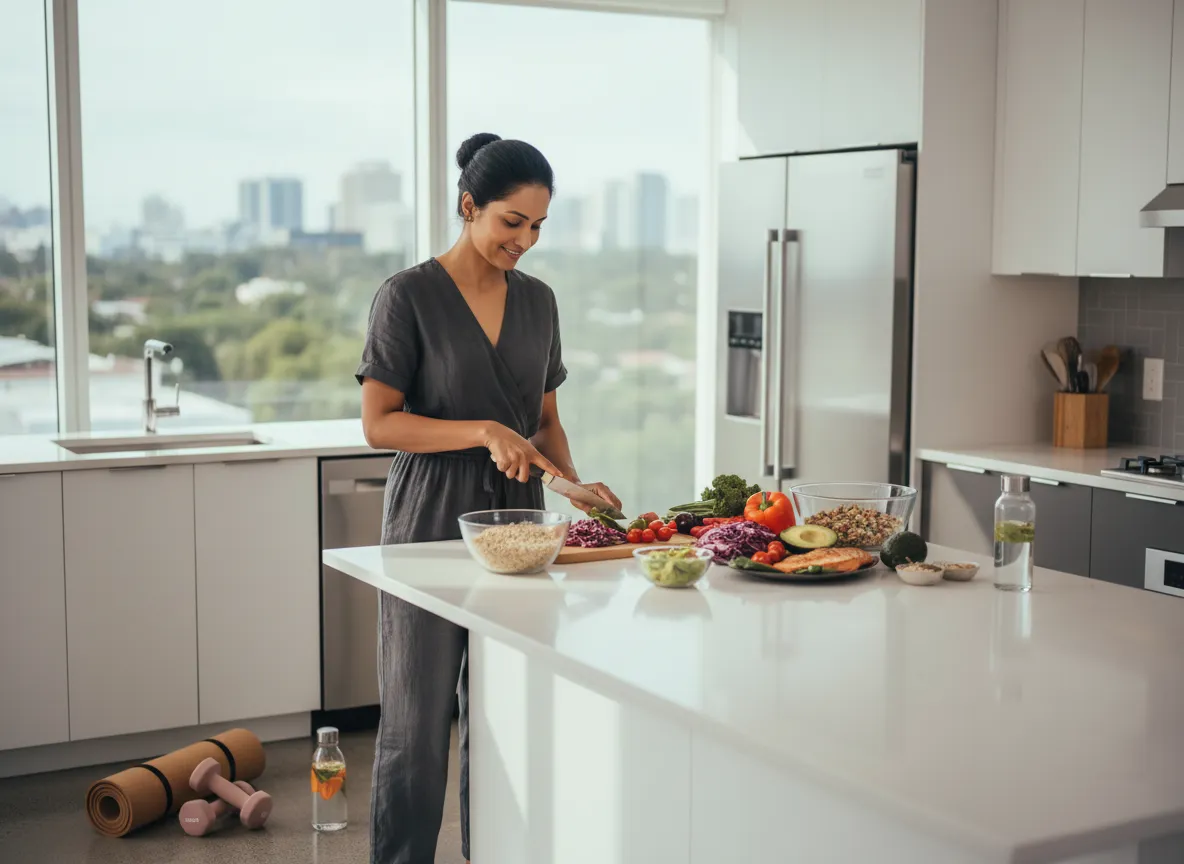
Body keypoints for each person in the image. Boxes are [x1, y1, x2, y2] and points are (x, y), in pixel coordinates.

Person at [357, 132, 621, 864]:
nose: (526, 241)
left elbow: (544, 424)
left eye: (537, 226)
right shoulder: (406, 296)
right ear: (469, 206)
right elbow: (380, 422)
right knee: (415, 721)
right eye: (512, 222)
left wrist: (573, 489)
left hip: (522, 527)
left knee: (505, 714)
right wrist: (480, 430)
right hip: (429, 520)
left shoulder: (540, 302)